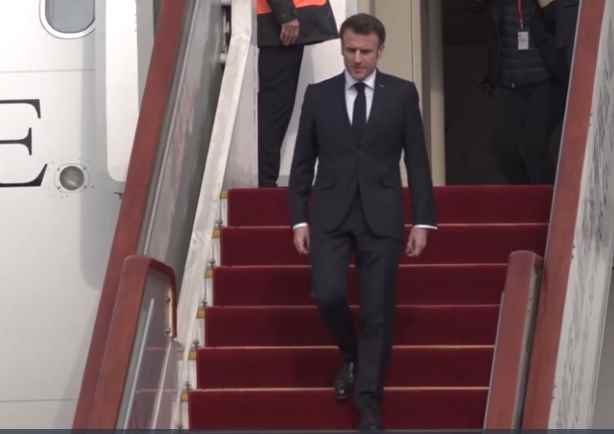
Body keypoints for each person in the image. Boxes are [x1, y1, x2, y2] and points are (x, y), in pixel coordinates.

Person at [288, 13, 437, 431]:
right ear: (342, 48)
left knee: (376, 311)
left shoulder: (402, 94)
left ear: (380, 51)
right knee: (327, 294)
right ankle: (352, 354)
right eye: (350, 50)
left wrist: (423, 220)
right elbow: (302, 163)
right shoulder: (319, 96)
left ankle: (368, 402)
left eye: (365, 52)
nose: (357, 59)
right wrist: (298, 219)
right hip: (330, 214)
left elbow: (417, 160)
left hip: (382, 215)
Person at [257, 0, 338, 187]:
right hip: (281, 21)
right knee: (275, 109)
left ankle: (267, 181)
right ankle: (266, 183)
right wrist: (285, 14)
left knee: (279, 108)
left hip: (286, 20)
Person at [483, 0, 559, 184]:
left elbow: (556, 19)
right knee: (504, 149)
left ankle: (546, 195)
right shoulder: (499, 5)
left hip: (542, 84)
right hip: (509, 84)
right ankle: (525, 192)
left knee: (534, 148)